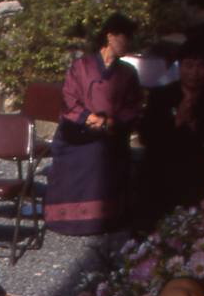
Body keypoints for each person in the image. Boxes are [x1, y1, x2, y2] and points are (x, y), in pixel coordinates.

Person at [43, 12, 144, 235]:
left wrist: (111, 122)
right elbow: (69, 98)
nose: (128, 43)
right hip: (77, 130)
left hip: (111, 132)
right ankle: (67, 219)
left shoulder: (128, 73)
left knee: (100, 151)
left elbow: (134, 104)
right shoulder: (81, 66)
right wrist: (91, 119)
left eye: (130, 38)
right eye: (125, 37)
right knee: (82, 154)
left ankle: (104, 219)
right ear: (110, 36)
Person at [135, 26, 204, 230]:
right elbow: (146, 136)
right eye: (188, 65)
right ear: (180, 66)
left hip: (200, 167)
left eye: (201, 66)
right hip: (163, 165)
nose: (194, 73)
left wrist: (193, 124)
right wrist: (177, 121)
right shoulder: (161, 95)